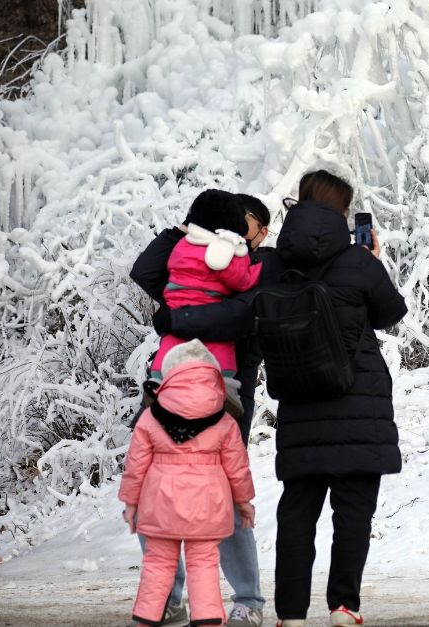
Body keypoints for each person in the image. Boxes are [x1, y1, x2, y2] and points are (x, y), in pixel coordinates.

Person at [259, 170, 407, 627]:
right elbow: (390, 313)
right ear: (343, 212)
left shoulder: (272, 263)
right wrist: (371, 259)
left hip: (301, 405)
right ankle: (344, 606)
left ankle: (290, 614)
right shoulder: (358, 261)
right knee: (353, 515)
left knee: (297, 515)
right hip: (358, 404)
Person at [130, 194, 272, 627]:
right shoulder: (197, 253)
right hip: (170, 379)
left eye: (245, 221)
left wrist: (176, 320)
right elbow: (146, 272)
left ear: (262, 230)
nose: (237, 227)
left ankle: (248, 598)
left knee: (224, 494)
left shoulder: (260, 263)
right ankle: (168, 598)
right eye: (230, 219)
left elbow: (237, 316)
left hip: (224, 389)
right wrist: (188, 228)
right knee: (159, 487)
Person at [120, 340, 256, 627]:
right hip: (207, 508)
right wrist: (243, 502)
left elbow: (135, 466)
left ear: (168, 375)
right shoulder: (224, 418)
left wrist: (131, 503)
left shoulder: (150, 417)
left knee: (157, 566)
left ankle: (147, 619)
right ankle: (207, 620)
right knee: (203, 565)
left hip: (160, 506)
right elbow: (237, 468)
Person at [150, 190, 262, 417]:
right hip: (209, 307)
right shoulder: (227, 251)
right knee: (221, 349)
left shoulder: (184, 244)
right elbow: (238, 280)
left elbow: (164, 266)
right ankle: (226, 387)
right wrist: (256, 270)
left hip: (176, 303)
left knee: (171, 345)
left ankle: (157, 380)